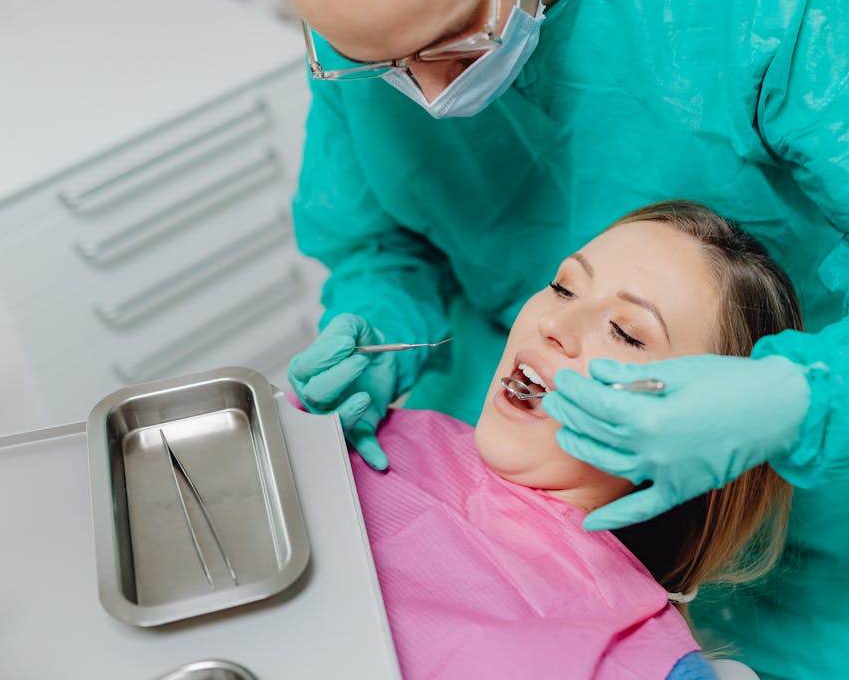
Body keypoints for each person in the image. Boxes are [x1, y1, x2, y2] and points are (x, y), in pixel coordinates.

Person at [253, 0, 849, 676]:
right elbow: (377, 237)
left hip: (763, 453)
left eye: (453, 39)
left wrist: (798, 399)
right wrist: (379, 326)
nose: (434, 97)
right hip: (505, 416)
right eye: (381, 64)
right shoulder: (366, 5)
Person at [316, 201, 797, 679]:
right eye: (564, 287)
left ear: (691, 441)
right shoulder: (361, 432)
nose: (553, 325)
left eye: (626, 333)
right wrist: (304, 427)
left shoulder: (642, 662)